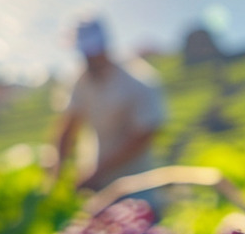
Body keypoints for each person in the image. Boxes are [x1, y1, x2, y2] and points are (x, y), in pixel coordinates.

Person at [48, 15, 166, 192]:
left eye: (93, 52)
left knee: (134, 216)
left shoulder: (139, 81)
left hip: (136, 184)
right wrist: (57, 172)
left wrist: (99, 171)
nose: (89, 58)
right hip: (97, 184)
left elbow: (144, 135)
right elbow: (70, 123)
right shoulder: (81, 80)